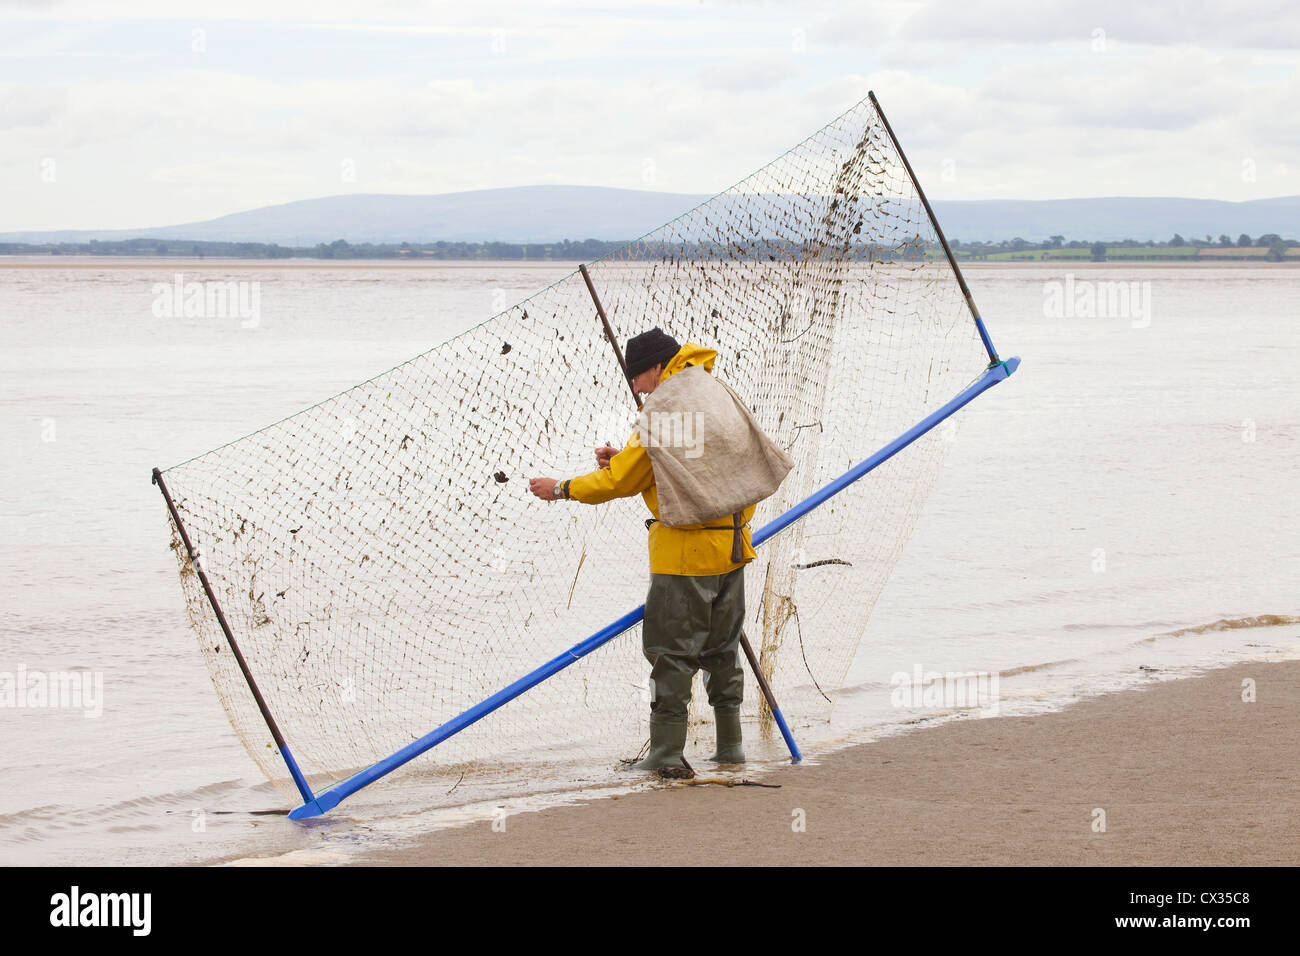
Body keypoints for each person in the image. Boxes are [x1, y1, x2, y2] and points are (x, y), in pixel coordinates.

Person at [528, 328, 754, 776]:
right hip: (731, 547)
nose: (636, 387)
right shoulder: (711, 390)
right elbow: (699, 464)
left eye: (637, 377)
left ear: (656, 367)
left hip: (684, 557)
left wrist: (560, 488)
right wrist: (633, 458)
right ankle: (731, 748)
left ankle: (667, 754)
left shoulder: (666, 405)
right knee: (723, 650)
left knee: (671, 654)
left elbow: (619, 483)